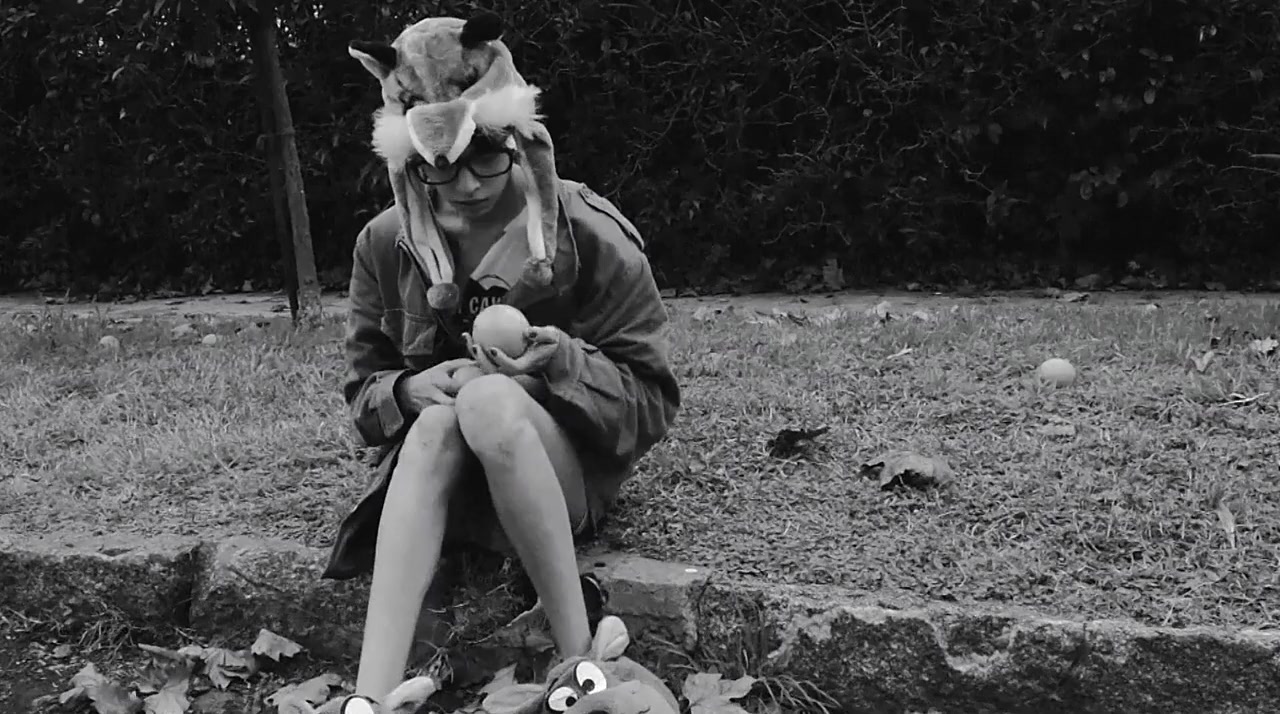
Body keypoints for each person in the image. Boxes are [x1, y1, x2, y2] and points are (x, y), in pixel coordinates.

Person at [320, 126, 682, 702]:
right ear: (411, 163)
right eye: (442, 164)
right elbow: (364, 396)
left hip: (558, 479)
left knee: (486, 400)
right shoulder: (386, 241)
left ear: (518, 143)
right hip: (445, 484)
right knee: (439, 420)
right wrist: (407, 391)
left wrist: (559, 363)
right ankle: (372, 697)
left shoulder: (585, 227)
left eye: (486, 158)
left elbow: (652, 399)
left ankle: (581, 665)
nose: (466, 184)